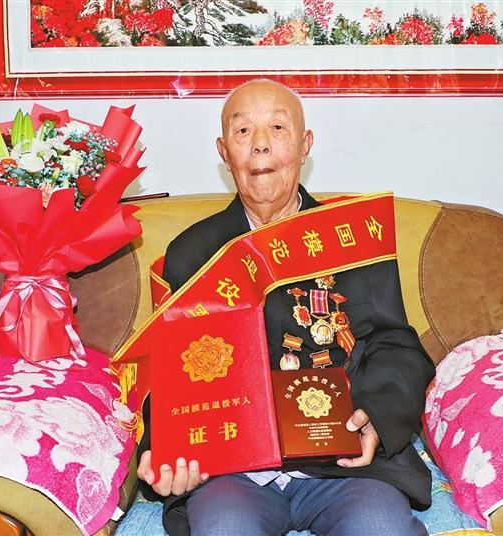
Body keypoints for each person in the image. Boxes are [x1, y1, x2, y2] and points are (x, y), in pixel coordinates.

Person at [136, 79, 436, 536]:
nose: (260, 144)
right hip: (231, 474)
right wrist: (167, 453)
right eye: (243, 132)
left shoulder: (353, 238)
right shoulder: (192, 253)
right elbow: (171, 374)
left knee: (379, 528)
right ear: (224, 152)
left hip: (344, 466)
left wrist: (376, 415)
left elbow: (396, 345)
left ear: (304, 144)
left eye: (277, 128)